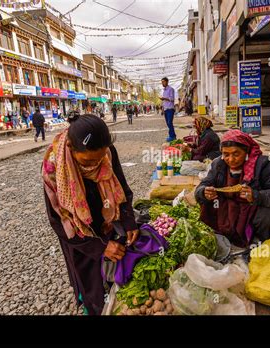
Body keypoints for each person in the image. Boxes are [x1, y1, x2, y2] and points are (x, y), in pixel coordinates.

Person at [42, 113, 139, 315]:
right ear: (71, 148)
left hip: (105, 220)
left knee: (114, 270)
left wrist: (129, 221)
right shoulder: (53, 167)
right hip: (78, 234)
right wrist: (99, 247)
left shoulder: (107, 151)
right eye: (87, 160)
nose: (95, 164)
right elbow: (58, 221)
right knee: (89, 281)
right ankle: (92, 306)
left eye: (99, 158)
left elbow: (121, 185)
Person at [195, 129, 270, 247]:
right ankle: (229, 233)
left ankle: (260, 240)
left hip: (255, 207)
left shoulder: (262, 164)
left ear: (246, 151)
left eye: (236, 154)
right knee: (207, 205)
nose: (231, 159)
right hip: (231, 207)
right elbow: (203, 185)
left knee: (268, 218)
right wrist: (203, 192)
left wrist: (256, 195)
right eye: (226, 154)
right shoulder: (218, 164)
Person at [160, 77, 176, 142]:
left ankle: (172, 136)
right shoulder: (164, 91)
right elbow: (164, 102)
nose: (162, 83)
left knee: (170, 122)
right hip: (166, 109)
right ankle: (171, 135)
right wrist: (162, 109)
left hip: (170, 109)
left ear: (167, 82)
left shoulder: (171, 89)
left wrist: (164, 98)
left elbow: (172, 99)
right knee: (167, 123)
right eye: (161, 82)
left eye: (163, 82)